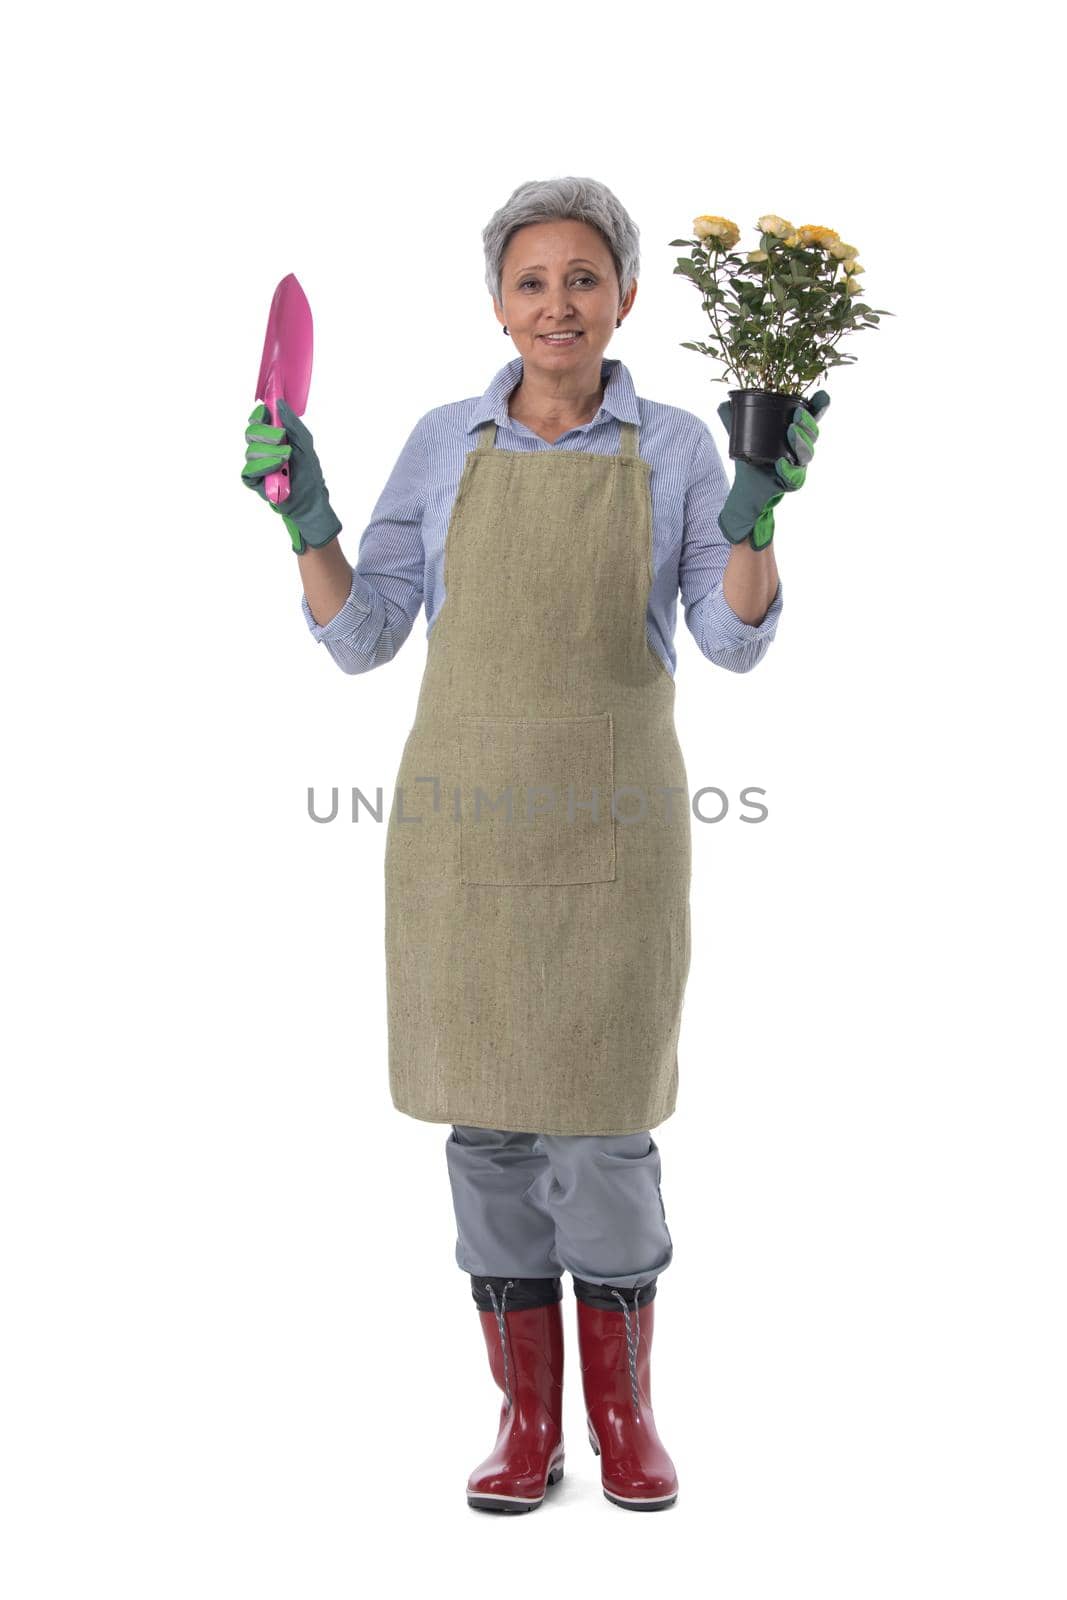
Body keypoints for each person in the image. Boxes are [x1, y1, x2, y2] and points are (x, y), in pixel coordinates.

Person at [242, 175, 827, 1515]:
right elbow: (361, 635)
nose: (556, 304)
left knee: (608, 1131)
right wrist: (305, 524)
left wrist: (758, 521)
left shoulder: (679, 446)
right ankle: (524, 1421)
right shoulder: (445, 441)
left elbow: (732, 643)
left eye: (582, 279)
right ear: (497, 303)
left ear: (626, 296)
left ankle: (624, 1420)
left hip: (618, 844)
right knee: (490, 1135)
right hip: (464, 848)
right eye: (530, 281)